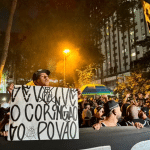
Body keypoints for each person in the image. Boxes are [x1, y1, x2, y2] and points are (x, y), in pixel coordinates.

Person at [0, 69, 51, 136]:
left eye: (47, 76)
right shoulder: (28, 97)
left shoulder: (58, 94)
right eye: (42, 76)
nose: (46, 77)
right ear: (36, 82)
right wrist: (13, 96)